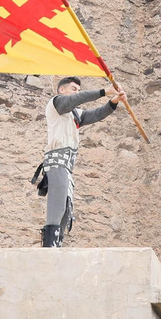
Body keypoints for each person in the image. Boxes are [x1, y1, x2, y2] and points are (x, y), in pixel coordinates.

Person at [32, 76, 124, 247]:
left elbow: (96, 114)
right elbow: (76, 99)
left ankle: (56, 247)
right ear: (62, 90)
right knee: (57, 207)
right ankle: (50, 249)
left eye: (78, 89)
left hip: (66, 166)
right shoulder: (57, 104)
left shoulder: (74, 114)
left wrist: (113, 101)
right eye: (74, 88)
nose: (77, 92)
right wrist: (104, 91)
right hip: (57, 162)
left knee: (65, 211)